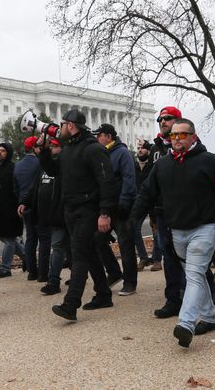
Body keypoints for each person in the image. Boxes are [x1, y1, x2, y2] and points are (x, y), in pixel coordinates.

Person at [131, 118, 215, 348]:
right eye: (173, 135)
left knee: (193, 275)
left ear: (193, 136)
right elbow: (146, 193)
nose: (177, 139)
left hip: (204, 227)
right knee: (197, 275)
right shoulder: (162, 164)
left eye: (182, 135)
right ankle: (210, 318)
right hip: (177, 231)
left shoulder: (209, 162)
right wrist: (132, 220)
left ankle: (186, 323)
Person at [38, 108, 117, 321]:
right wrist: (44, 153)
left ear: (70, 125)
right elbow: (54, 171)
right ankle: (103, 294)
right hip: (71, 210)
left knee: (79, 254)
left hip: (87, 210)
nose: (59, 128)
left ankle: (70, 305)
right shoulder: (69, 149)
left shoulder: (93, 149)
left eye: (62, 124)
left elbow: (107, 182)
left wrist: (105, 213)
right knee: (89, 253)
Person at [149, 106, 187, 318]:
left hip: (185, 210)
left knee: (189, 255)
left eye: (167, 118)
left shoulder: (191, 145)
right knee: (169, 254)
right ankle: (173, 298)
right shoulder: (156, 149)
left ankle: (204, 291)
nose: (162, 122)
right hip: (162, 210)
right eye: (160, 119)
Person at [93, 123, 138, 295]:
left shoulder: (122, 153)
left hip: (121, 207)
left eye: (99, 135)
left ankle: (130, 282)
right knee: (97, 241)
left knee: (126, 245)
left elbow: (129, 179)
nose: (97, 139)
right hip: (106, 207)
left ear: (108, 137)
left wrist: (124, 203)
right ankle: (114, 272)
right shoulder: (100, 154)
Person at [22, 137, 68, 295]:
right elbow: (35, 187)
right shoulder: (45, 167)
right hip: (51, 215)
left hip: (68, 212)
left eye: (55, 146)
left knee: (75, 248)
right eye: (51, 146)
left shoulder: (65, 165)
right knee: (57, 247)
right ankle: (53, 280)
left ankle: (84, 276)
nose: (52, 148)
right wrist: (25, 202)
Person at [14, 136, 46, 281]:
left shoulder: (18, 165)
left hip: (24, 205)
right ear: (35, 147)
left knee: (30, 239)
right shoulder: (41, 162)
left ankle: (32, 271)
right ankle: (43, 272)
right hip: (39, 204)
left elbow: (15, 188)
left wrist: (21, 201)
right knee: (44, 239)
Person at [0, 142, 24, 278]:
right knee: (3, 236)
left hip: (11, 208)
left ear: (8, 152)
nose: (0, 153)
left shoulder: (13, 168)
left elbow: (18, 188)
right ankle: (28, 258)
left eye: (3, 151)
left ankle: (5, 268)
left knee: (9, 238)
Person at [134, 140, 162, 271]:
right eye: (138, 148)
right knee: (134, 228)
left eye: (143, 148)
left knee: (156, 232)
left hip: (153, 202)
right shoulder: (134, 165)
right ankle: (143, 257)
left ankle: (157, 259)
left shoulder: (152, 165)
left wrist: (148, 145)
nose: (140, 150)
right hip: (140, 202)